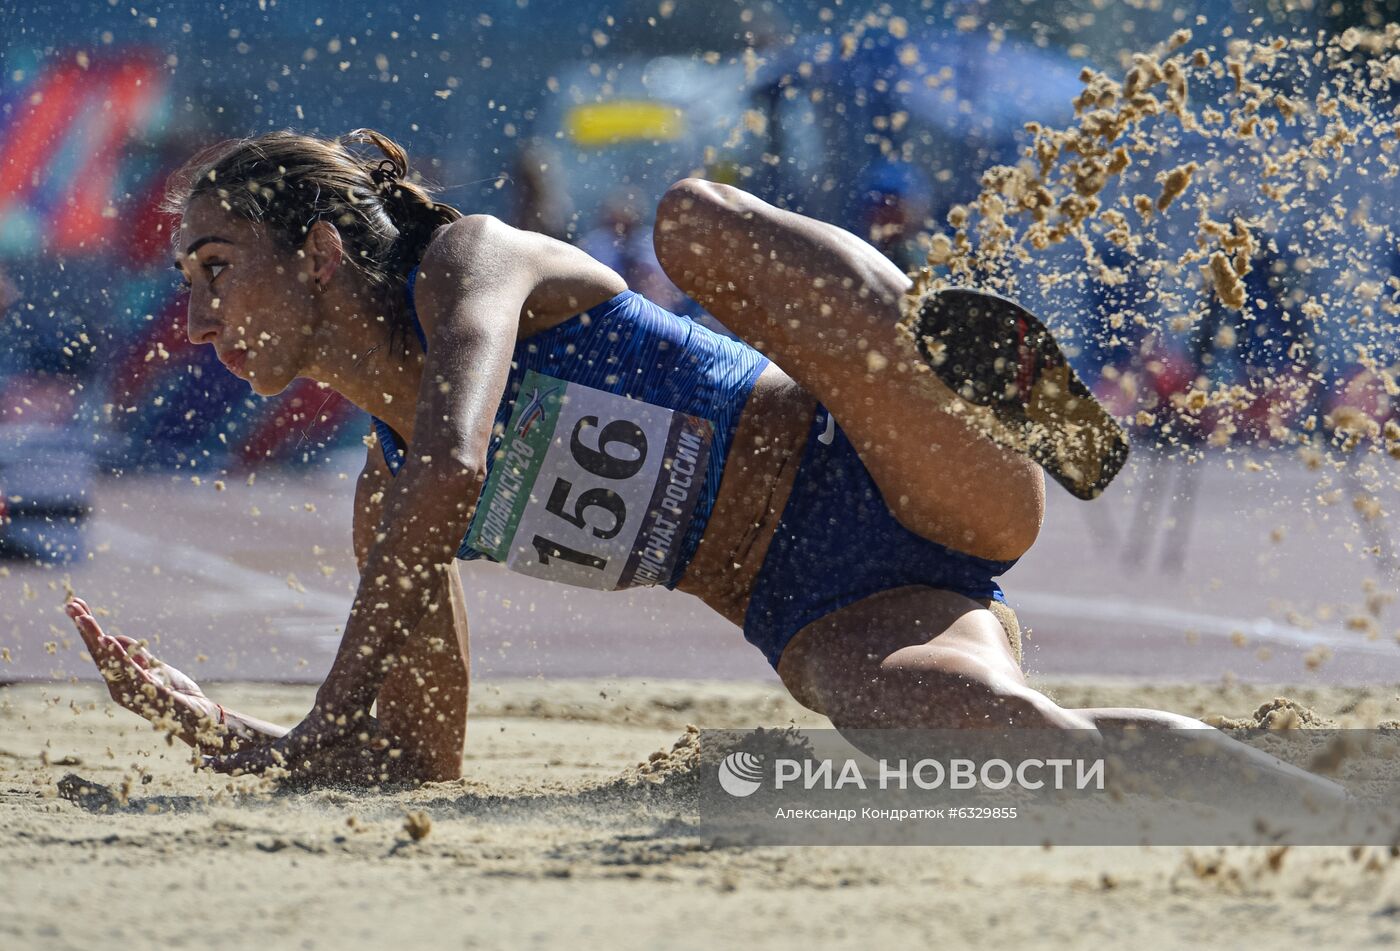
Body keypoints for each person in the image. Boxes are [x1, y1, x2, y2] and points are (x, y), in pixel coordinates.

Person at [65, 130, 1344, 803]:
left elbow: (456, 457)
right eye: (189, 283)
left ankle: (960, 351)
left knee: (694, 217)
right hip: (823, 606)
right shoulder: (384, 500)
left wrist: (313, 711)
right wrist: (231, 734)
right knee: (996, 735)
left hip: (888, 456)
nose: (200, 313)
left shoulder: (475, 263)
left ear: (322, 254)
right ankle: (1312, 802)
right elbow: (412, 758)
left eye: (218, 266)